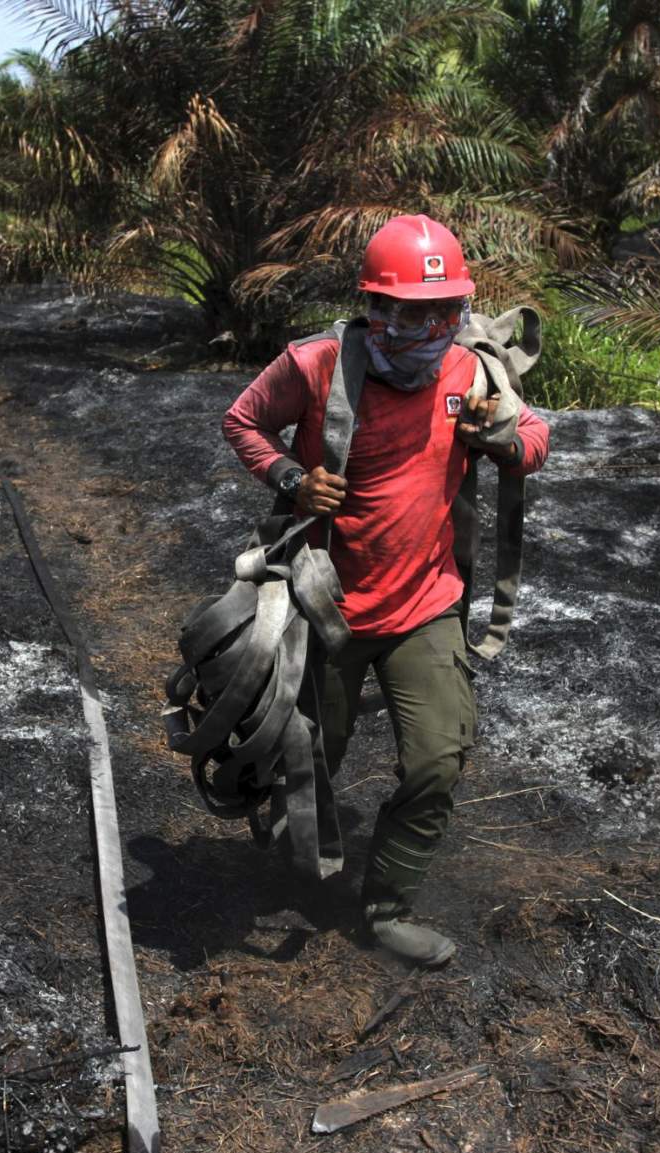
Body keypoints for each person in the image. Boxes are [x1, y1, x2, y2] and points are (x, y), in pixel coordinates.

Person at [221, 214, 550, 967]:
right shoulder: (315, 365)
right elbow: (242, 421)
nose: (426, 328)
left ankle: (387, 906)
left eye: (443, 312)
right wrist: (291, 480)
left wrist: (495, 433)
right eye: (407, 311)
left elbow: (534, 442)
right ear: (374, 306)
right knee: (311, 760)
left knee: (438, 757)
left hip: (426, 605)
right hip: (327, 603)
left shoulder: (471, 372)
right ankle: (283, 831)